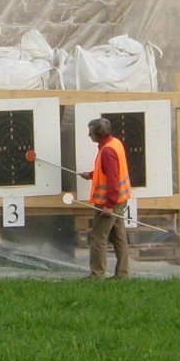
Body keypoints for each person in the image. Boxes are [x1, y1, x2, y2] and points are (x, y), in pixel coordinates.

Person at [78, 117, 131, 279]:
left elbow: (113, 180)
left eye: (90, 132)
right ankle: (122, 274)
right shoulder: (115, 143)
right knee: (119, 237)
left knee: (98, 238)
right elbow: (109, 171)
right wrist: (91, 175)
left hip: (110, 202)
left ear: (99, 134)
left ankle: (97, 274)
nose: (89, 135)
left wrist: (108, 205)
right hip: (121, 199)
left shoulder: (107, 151)